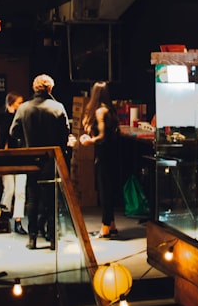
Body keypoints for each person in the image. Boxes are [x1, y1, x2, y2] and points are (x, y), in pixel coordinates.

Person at [9, 74, 73, 250]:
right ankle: (52, 239)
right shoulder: (58, 107)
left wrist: (26, 141)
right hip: (52, 160)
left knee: (33, 199)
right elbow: (65, 133)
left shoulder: (23, 108)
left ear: (34, 88)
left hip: (31, 160)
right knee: (51, 200)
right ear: (50, 89)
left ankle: (32, 238)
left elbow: (13, 132)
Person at [78, 81, 121, 239]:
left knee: (104, 190)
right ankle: (111, 225)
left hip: (104, 154)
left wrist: (89, 140)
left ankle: (105, 228)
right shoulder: (109, 109)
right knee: (108, 189)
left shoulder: (100, 111)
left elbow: (102, 137)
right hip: (113, 153)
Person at [0, 91, 26, 235]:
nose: (21, 105)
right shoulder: (2, 118)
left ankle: (17, 220)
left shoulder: (23, 117)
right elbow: (1, 139)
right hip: (6, 158)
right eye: (19, 103)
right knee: (9, 189)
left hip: (20, 157)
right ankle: (3, 217)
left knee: (20, 191)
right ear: (11, 103)